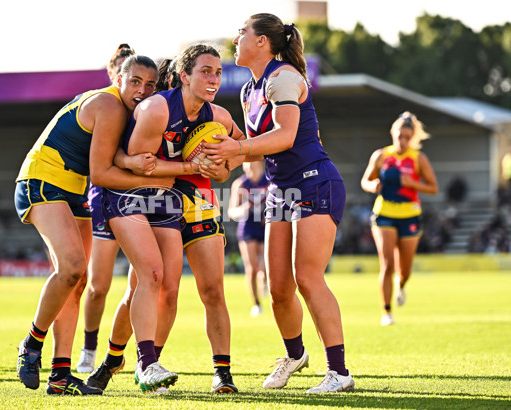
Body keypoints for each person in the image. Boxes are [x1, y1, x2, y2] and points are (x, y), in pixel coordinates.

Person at [202, 13, 354, 393]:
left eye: (242, 33)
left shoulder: (283, 76)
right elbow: (257, 150)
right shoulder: (248, 89)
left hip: (313, 183)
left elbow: (285, 136)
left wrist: (237, 148)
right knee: (279, 289)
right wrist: (216, 161)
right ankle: (296, 354)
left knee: (307, 277)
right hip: (279, 189)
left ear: (261, 43)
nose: (235, 39)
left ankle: (340, 372)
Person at [87, 43, 246, 394]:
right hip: (156, 196)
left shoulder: (217, 116)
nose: (214, 78)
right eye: (206, 71)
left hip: (199, 199)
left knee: (212, 290)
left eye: (218, 72)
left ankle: (219, 373)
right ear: (183, 76)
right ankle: (115, 359)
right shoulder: (158, 109)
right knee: (156, 286)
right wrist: (192, 166)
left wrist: (222, 167)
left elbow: (239, 151)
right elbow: (140, 162)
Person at [14, 54, 167, 395]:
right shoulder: (110, 106)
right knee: (71, 267)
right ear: (119, 81)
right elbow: (101, 173)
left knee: (77, 280)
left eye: (150, 85)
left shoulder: (130, 112)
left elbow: (111, 160)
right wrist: (160, 179)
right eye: (135, 82)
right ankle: (31, 343)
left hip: (73, 190)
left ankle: (60, 376)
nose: (142, 90)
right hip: (43, 181)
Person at [76, 43, 135, 374]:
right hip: (103, 197)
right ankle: (88, 348)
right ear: (114, 76)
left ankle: (142, 355)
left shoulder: (145, 107)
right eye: (124, 76)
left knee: (146, 282)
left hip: (139, 199)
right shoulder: (104, 104)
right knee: (98, 285)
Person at [361, 111, 438, 326]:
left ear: (412, 137)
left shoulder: (418, 159)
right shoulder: (381, 156)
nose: (402, 141)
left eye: (407, 137)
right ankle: (386, 312)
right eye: (399, 136)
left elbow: (433, 188)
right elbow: (365, 181)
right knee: (386, 264)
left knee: (405, 270)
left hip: (410, 215)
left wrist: (412, 183)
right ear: (392, 133)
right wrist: (372, 186)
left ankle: (401, 285)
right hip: (384, 213)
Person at [228, 160, 268, 317]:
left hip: (266, 227)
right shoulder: (240, 184)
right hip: (248, 227)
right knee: (252, 268)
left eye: (253, 161)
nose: (250, 165)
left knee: (265, 266)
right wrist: (243, 209)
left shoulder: (269, 181)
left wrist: (269, 214)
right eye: (247, 162)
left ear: (261, 163)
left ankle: (263, 280)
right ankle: (256, 304)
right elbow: (232, 211)